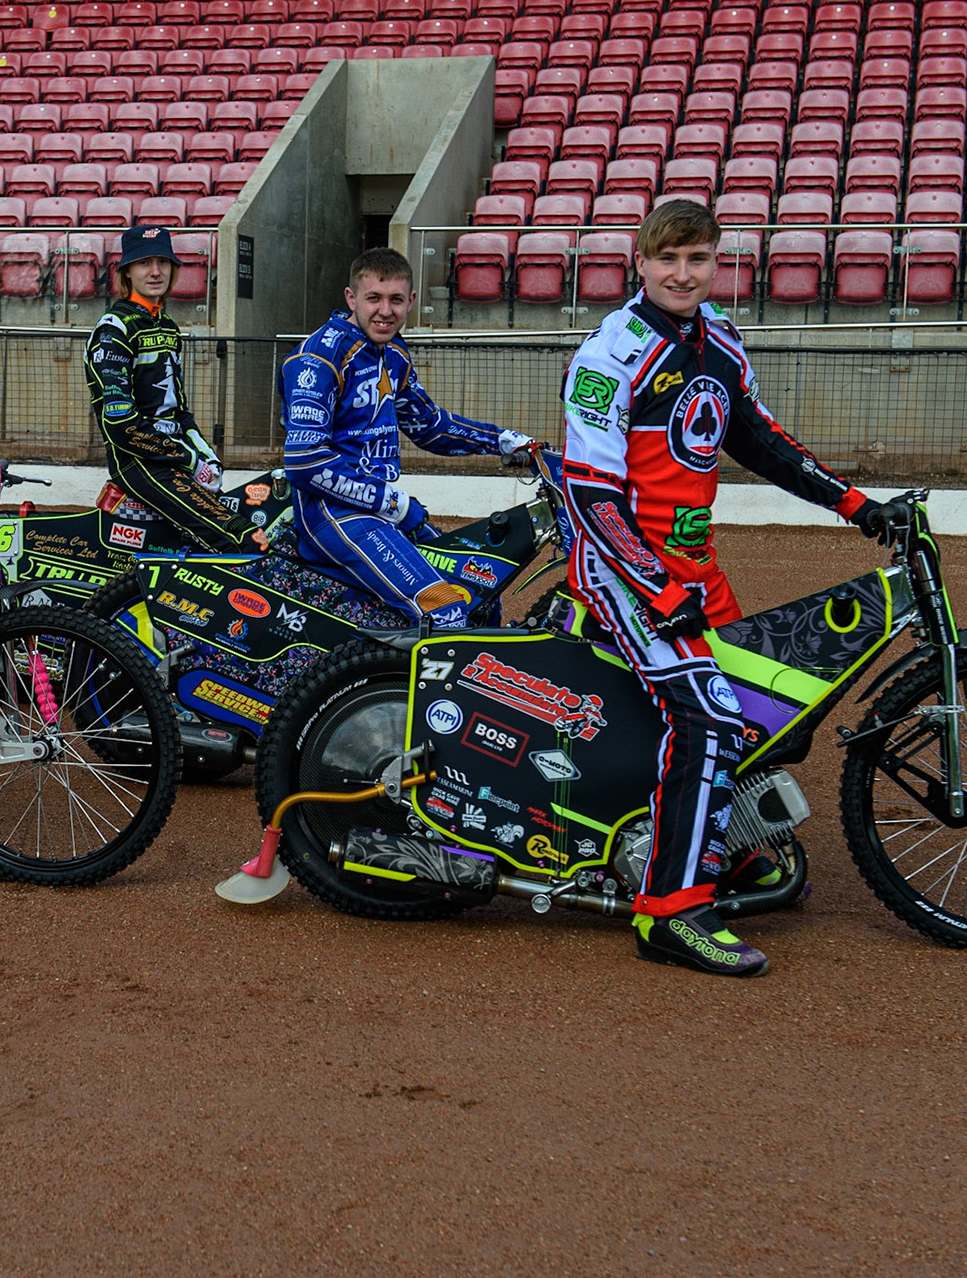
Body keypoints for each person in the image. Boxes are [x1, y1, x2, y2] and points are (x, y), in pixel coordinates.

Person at [560, 199, 888, 979]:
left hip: (694, 567)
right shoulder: (610, 355)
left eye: (698, 259)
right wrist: (651, 585)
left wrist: (858, 506)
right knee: (708, 717)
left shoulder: (721, 343)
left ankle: (717, 846)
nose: (683, 274)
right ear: (638, 263)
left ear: (717, 264)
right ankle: (670, 913)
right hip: (624, 569)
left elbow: (765, 443)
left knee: (765, 712)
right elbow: (589, 493)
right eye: (668, 259)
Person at [280, 247, 534, 626]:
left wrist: (503, 441)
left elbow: (430, 427)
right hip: (333, 514)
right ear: (351, 298)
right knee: (444, 610)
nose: (385, 311)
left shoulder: (394, 352)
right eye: (374, 298)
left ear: (411, 301)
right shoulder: (318, 358)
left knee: (479, 596)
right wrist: (390, 502)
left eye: (396, 300)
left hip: (383, 511)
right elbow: (305, 462)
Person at [83, 224, 267, 552]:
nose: (156, 272)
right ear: (126, 273)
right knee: (242, 539)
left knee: (253, 521)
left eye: (163, 262)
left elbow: (179, 411)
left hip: (174, 458)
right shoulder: (114, 330)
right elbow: (121, 428)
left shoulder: (167, 327)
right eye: (144, 263)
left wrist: (207, 456)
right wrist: (189, 460)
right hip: (138, 463)